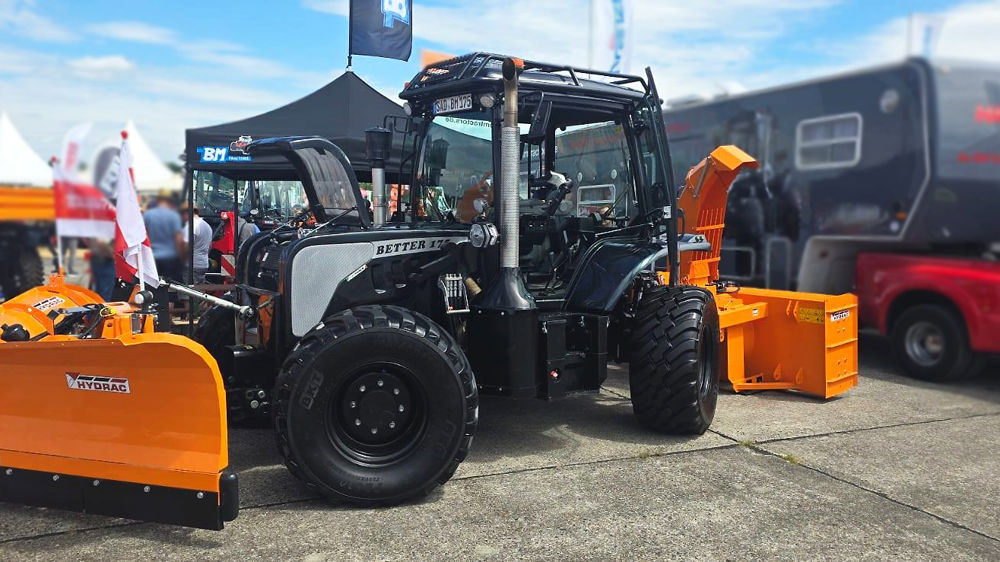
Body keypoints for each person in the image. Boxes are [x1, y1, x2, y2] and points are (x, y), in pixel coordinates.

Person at [143, 190, 183, 282]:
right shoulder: (174, 216)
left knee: (152, 285)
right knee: (172, 287)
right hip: (170, 257)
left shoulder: (148, 215)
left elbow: (143, 234)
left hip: (152, 257)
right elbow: (178, 239)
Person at [180, 204, 213, 284]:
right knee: (199, 292)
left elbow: (185, 248)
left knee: (187, 293)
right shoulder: (207, 226)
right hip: (203, 264)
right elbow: (210, 247)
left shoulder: (191, 226)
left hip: (191, 266)